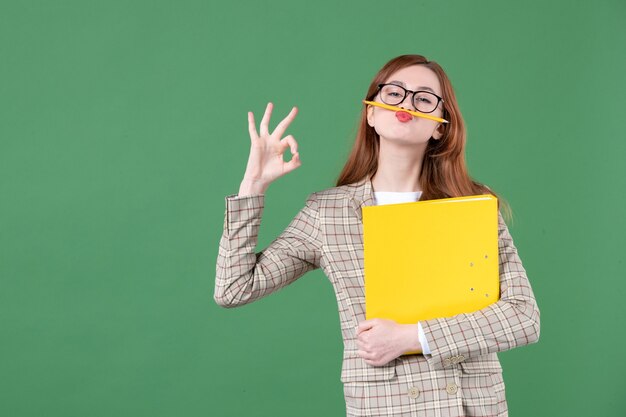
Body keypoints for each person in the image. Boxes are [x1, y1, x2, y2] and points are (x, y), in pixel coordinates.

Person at [214, 54, 541, 417]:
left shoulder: (474, 206)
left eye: (424, 98)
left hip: (469, 405)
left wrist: (413, 337)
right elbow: (234, 288)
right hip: (384, 406)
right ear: (371, 113)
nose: (406, 103)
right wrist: (252, 187)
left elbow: (524, 317)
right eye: (394, 92)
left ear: (439, 127)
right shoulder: (328, 212)